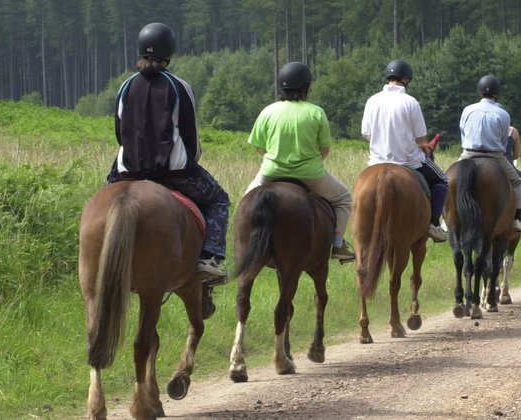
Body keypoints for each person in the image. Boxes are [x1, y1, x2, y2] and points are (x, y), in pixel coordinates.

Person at [105, 22, 230, 318]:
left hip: (127, 171)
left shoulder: (125, 86)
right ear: (169, 54)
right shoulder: (178, 85)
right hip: (174, 173)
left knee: (104, 202)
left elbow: (119, 131)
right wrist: (190, 159)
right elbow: (190, 136)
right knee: (219, 200)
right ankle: (208, 258)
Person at [245, 61, 355, 262]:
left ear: (281, 85)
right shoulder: (316, 112)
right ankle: (338, 245)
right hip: (310, 174)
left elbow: (259, 148)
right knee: (345, 199)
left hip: (271, 172)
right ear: (306, 86)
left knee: (246, 202)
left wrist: (278, 158)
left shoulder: (268, 111)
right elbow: (325, 150)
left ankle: (244, 244)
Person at [360, 59, 449, 242]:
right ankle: (433, 223)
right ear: (406, 80)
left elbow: (366, 135)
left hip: (377, 162)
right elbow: (420, 139)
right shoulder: (411, 102)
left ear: (388, 77)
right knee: (442, 180)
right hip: (408, 162)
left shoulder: (372, 100)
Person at [458, 74, 521, 233]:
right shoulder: (503, 114)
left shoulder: (467, 109)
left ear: (479, 91)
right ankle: (517, 218)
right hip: (494, 156)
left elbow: (463, 133)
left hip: (468, 154)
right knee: (516, 181)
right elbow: (504, 139)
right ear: (497, 93)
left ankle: (444, 220)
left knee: (447, 180)